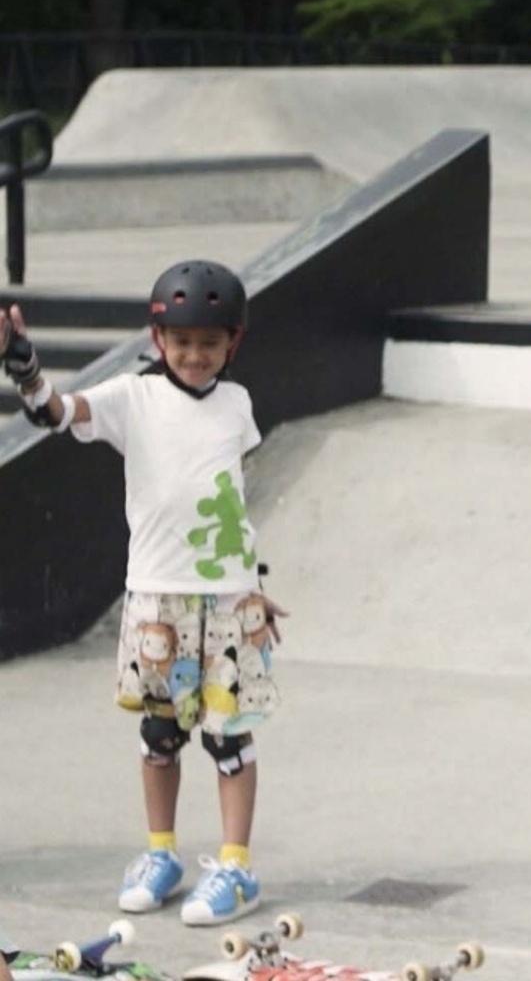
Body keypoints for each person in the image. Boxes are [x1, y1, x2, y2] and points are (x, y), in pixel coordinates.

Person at [3, 260, 284, 926]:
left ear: (231, 344)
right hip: (157, 600)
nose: (195, 355)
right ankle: (162, 855)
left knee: (230, 738)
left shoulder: (237, 404)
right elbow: (55, 412)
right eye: (182, 343)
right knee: (160, 735)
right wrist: (24, 367)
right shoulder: (132, 398)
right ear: (158, 341)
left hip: (229, 604)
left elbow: (230, 506)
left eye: (210, 343)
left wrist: (258, 583)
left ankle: (236, 867)